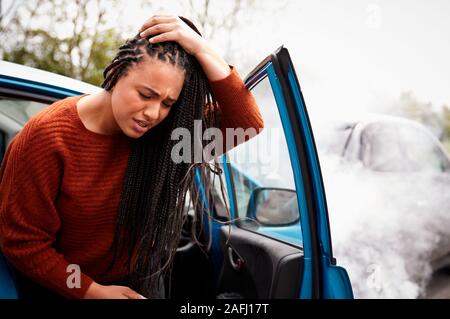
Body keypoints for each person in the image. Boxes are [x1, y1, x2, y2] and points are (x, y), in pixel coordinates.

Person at [0, 15, 264, 299]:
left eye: (167, 103)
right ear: (116, 71)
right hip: (67, 286)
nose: (153, 113)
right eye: (145, 94)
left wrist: (201, 48)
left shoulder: (166, 137)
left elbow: (247, 122)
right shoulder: (47, 137)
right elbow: (24, 242)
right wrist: (92, 291)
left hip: (141, 280)